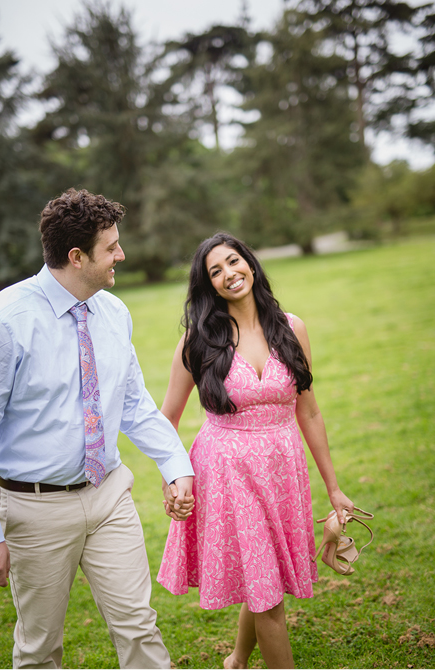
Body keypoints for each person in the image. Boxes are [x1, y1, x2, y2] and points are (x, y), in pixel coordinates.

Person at [0, 188, 196, 669]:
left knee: (139, 625)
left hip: (108, 497)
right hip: (34, 509)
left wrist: (175, 465)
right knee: (40, 646)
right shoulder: (3, 321)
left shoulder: (114, 312)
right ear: (77, 257)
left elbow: (134, 403)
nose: (122, 255)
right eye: (112, 248)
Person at [155, 232, 354, 669]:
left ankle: (237, 660)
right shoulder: (198, 341)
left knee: (265, 579)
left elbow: (311, 412)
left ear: (250, 262)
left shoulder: (291, 327)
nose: (229, 274)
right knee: (267, 593)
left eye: (233, 261)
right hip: (228, 475)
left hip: (283, 472)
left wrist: (333, 488)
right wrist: (172, 480)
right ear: (208, 285)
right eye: (215, 271)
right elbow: (164, 420)